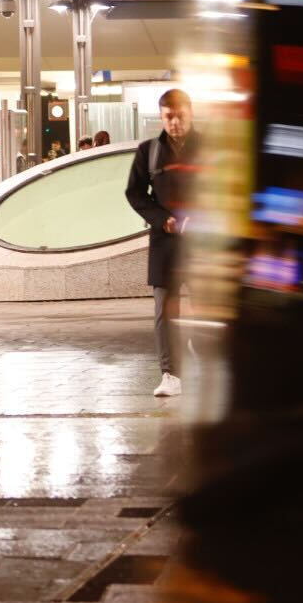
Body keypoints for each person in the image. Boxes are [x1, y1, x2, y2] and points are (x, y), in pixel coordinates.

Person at [125, 89, 200, 398]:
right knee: (164, 311)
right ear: (161, 117)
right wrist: (161, 218)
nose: (175, 123)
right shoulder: (149, 152)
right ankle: (170, 374)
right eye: (169, 117)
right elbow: (135, 193)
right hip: (165, 243)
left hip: (203, 243)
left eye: (180, 116)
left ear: (190, 113)